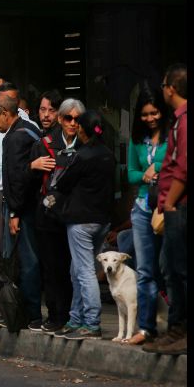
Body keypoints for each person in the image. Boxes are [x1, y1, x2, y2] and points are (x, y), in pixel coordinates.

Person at [51, 110, 115, 340]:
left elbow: (64, 182)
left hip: (81, 222)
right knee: (76, 269)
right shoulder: (108, 154)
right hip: (102, 221)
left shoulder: (83, 155)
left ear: (82, 130)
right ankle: (76, 318)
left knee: (84, 271)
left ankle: (91, 321)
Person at [0, 93, 44, 330]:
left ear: (6, 113)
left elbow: (16, 180)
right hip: (30, 207)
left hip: (22, 210)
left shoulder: (14, 139)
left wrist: (14, 214)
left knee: (26, 261)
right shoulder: (29, 130)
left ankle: (32, 313)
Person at [29, 98, 84, 334]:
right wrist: (33, 166)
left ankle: (74, 315)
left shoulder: (86, 144)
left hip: (76, 215)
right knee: (52, 268)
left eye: (77, 119)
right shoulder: (44, 144)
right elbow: (26, 180)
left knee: (75, 269)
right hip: (48, 215)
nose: (73, 123)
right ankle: (54, 315)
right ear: (61, 120)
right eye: (68, 118)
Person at [121, 82, 169, 345]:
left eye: (154, 113)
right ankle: (146, 327)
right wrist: (147, 174)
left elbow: (176, 163)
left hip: (167, 206)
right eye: (145, 114)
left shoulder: (172, 134)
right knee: (145, 269)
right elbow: (130, 174)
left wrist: (157, 167)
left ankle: (174, 325)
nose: (150, 119)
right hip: (142, 208)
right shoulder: (136, 139)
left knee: (168, 267)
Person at [144, 63, 187, 355]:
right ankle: (175, 327)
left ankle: (182, 329)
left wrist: (169, 202)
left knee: (180, 270)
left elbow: (182, 166)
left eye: (163, 85)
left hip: (179, 208)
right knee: (169, 269)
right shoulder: (177, 119)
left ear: (171, 88)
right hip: (170, 207)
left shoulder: (185, 121)